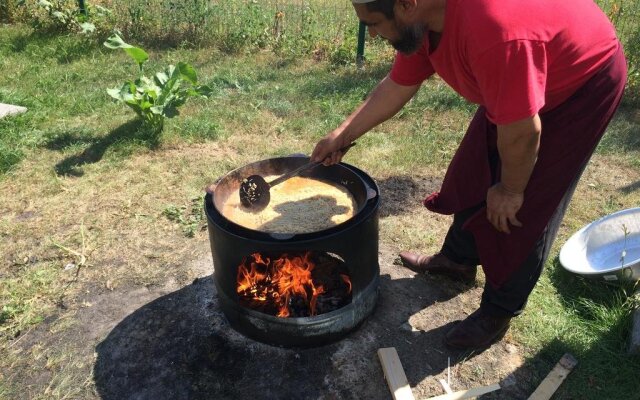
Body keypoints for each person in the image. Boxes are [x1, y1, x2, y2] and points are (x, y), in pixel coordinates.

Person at [311, 0, 627, 350]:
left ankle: (498, 309)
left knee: (526, 207)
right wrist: (342, 135)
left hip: (581, 81)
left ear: (407, 5)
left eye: (372, 23)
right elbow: (398, 84)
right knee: (474, 170)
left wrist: (510, 188)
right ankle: (458, 261)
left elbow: (523, 132)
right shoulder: (425, 20)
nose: (370, 33)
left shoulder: (494, 34)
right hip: (522, 68)